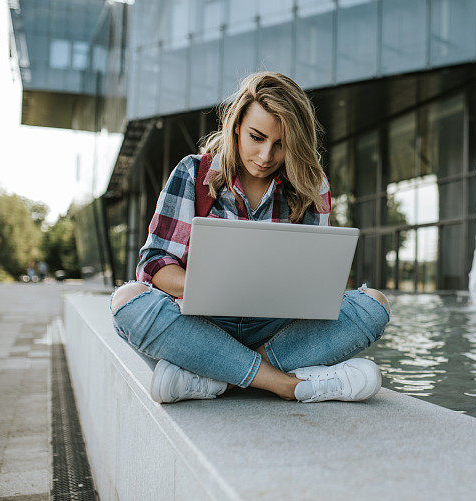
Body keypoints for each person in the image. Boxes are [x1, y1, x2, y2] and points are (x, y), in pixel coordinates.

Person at [109, 71, 391, 405]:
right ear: (238, 124)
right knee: (127, 300)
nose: (265, 156)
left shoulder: (313, 187)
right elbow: (156, 266)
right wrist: (224, 289)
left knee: (374, 305)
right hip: (202, 325)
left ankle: (216, 377)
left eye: (281, 145)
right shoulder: (193, 173)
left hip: (276, 329)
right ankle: (285, 383)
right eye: (257, 137)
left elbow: (318, 286)